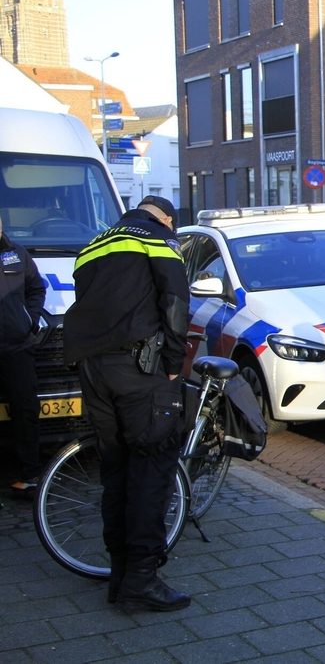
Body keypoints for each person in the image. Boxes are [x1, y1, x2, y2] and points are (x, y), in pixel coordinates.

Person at [63, 195, 191, 612]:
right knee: (151, 470)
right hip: (140, 372)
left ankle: (119, 577)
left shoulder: (93, 244)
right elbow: (174, 300)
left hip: (93, 370)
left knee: (115, 471)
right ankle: (141, 580)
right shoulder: (157, 239)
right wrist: (173, 363)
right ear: (167, 219)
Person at [0, 215, 46, 495]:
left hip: (16, 346)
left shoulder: (16, 255)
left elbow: (36, 288)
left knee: (26, 411)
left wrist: (30, 318)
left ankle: (31, 476)